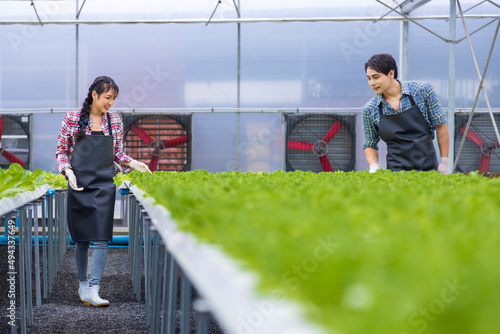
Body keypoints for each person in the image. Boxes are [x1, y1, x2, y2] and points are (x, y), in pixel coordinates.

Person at [56, 76, 151, 307]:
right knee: (81, 238)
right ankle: (83, 286)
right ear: (95, 95)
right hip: (79, 184)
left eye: (114, 99)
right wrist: (67, 171)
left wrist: (133, 163)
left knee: (101, 237)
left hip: (103, 184)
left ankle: (95, 288)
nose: (111, 102)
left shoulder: (114, 122)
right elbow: (61, 150)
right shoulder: (72, 118)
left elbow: (116, 154)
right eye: (108, 97)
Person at [362, 53, 449, 174]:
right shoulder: (370, 109)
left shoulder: (422, 91)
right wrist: (373, 166)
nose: (371, 83)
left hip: (428, 169)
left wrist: (444, 162)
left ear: (391, 74)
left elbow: (440, 126)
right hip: (395, 172)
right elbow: (370, 143)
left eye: (376, 77)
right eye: (369, 78)